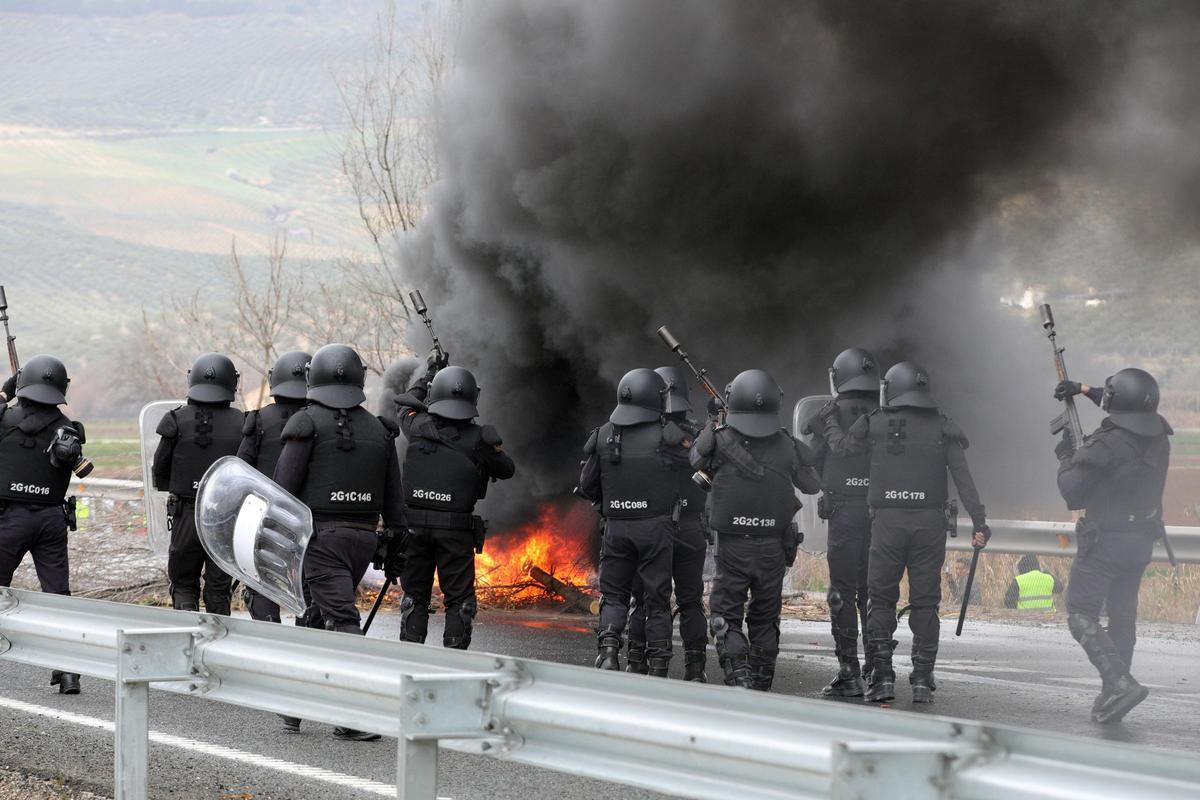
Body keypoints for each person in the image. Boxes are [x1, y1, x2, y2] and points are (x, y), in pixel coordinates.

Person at [819, 361, 989, 704]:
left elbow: (843, 449)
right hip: (929, 526)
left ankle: (882, 678)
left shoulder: (876, 424)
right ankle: (922, 680)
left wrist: (830, 421)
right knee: (926, 603)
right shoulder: (943, 427)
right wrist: (980, 521)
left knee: (880, 600)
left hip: (887, 525)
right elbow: (963, 479)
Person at [272, 343, 407, 740]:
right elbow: (394, 497)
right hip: (363, 540)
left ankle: (352, 716)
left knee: (341, 619)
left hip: (321, 540)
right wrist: (396, 542)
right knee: (318, 614)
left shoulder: (304, 423)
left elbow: (283, 488)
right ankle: (293, 706)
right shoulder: (380, 429)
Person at [1054, 368, 1171, 724]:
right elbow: (1125, 407)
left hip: (1105, 543)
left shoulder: (1106, 444)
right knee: (1122, 616)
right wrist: (1083, 389)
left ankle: (1119, 682)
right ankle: (1113, 693)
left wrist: (1065, 458)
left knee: (1080, 614)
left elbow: (1072, 492)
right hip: (1140, 543)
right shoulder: (1158, 438)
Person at [692, 369, 820, 690]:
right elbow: (811, 483)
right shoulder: (787, 445)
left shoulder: (720, 441)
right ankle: (761, 685)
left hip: (733, 548)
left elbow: (694, 457)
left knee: (725, 617)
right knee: (765, 620)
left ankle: (739, 678)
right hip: (774, 550)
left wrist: (714, 422)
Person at [393, 352, 515, 650]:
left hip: (415, 530)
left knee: (414, 598)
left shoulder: (417, 425)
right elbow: (507, 470)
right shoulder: (480, 439)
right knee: (459, 601)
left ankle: (409, 656)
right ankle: (453, 661)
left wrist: (428, 376)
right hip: (455, 534)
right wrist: (492, 449)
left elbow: (405, 405)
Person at [578, 368, 690, 676]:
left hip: (616, 527)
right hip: (655, 528)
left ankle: (609, 650)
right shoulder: (668, 436)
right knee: (656, 600)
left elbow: (587, 485)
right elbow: (696, 464)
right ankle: (657, 665)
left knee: (614, 595)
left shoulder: (603, 434)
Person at [0, 355, 89, 695]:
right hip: (51, 519)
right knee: (57, 596)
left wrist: (7, 390)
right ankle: (68, 672)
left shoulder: (3, 418)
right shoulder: (70, 429)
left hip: (7, 517)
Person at [802, 347, 878, 698]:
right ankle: (880, 668)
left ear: (838, 376)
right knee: (874, 593)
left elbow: (811, 462)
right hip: (880, 514)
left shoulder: (829, 414)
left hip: (844, 514)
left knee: (842, 594)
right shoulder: (887, 411)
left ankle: (849, 672)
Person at [625, 366, 709, 681]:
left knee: (646, 600)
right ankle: (695, 669)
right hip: (689, 528)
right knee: (690, 600)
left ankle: (638, 664)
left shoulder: (639, 436)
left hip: (651, 529)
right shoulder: (700, 436)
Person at [152, 353, 243, 615]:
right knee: (218, 587)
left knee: (183, 584)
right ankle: (220, 644)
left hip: (186, 512)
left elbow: (161, 467)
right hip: (225, 514)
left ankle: (186, 639)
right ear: (231, 382)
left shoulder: (176, 419)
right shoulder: (242, 422)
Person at [236, 350, 311, 623]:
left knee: (262, 582)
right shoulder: (321, 420)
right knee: (308, 585)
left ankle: (268, 638)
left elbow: (242, 467)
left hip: (264, 516)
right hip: (308, 516)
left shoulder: (258, 420)